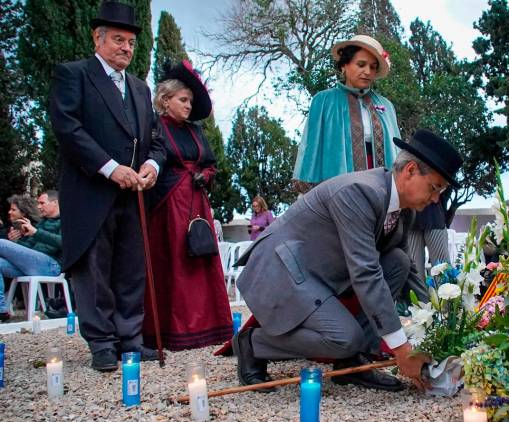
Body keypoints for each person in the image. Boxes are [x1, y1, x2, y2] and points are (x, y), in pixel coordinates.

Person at [233, 130, 462, 392]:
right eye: (435, 188)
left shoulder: (403, 211)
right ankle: (253, 344)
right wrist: (402, 348)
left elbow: (407, 270)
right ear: (410, 170)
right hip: (284, 269)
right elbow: (365, 272)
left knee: (398, 260)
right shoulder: (359, 192)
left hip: (320, 274)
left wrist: (438, 322)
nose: (435, 200)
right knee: (344, 338)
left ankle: (351, 362)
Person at [48, 1, 166, 371]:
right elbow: (68, 128)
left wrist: (151, 164)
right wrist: (110, 168)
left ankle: (130, 340)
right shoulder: (74, 75)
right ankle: (102, 343)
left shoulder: (140, 88)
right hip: (90, 191)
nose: (126, 49)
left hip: (133, 196)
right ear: (97, 39)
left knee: (130, 269)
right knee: (94, 270)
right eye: (118, 40)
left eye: (131, 42)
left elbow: (156, 139)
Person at [141, 61, 232, 351]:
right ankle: (174, 330)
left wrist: (205, 175)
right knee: (175, 263)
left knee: (202, 259)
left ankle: (209, 326)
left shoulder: (196, 132)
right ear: (165, 100)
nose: (188, 106)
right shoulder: (154, 128)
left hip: (197, 202)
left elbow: (211, 163)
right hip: (169, 206)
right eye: (183, 100)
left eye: (191, 101)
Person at [292, 35, 400, 193]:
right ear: (344, 66)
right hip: (337, 187)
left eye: (373, 66)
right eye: (361, 64)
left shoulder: (386, 105)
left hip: (380, 189)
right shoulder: (323, 101)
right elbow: (311, 148)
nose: (367, 71)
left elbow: (396, 153)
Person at [0, 192, 62, 322]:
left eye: (42, 203)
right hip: (32, 265)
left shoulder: (67, 221)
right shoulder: (41, 223)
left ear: (55, 203)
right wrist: (16, 242)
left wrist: (36, 232)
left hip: (52, 265)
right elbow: (29, 249)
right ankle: (2, 311)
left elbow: (64, 243)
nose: (38, 207)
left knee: (1, 243)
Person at [406, 197, 451, 292]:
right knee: (414, 271)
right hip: (410, 216)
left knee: (442, 268)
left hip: (434, 214)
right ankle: (419, 305)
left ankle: (448, 304)